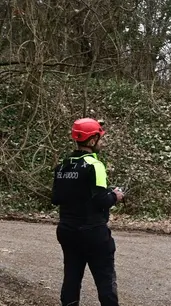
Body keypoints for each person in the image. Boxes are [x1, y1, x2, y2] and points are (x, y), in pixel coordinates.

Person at [52, 118, 124, 306]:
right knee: (105, 281)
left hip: (67, 230)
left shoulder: (62, 166)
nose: (102, 142)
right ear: (91, 141)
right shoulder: (95, 165)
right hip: (93, 232)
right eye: (100, 138)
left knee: (71, 278)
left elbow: (56, 199)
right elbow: (102, 200)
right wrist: (115, 196)